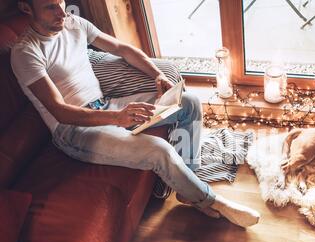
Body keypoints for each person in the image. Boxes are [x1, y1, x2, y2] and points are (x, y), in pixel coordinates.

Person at [11, 0, 261, 228]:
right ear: (26, 8)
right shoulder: (25, 53)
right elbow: (60, 112)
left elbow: (123, 49)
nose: (62, 12)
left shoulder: (74, 23)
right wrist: (118, 118)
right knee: (159, 150)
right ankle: (209, 199)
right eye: (50, 7)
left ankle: (188, 186)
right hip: (74, 131)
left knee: (190, 103)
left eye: (61, 2)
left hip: (106, 105)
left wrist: (157, 75)